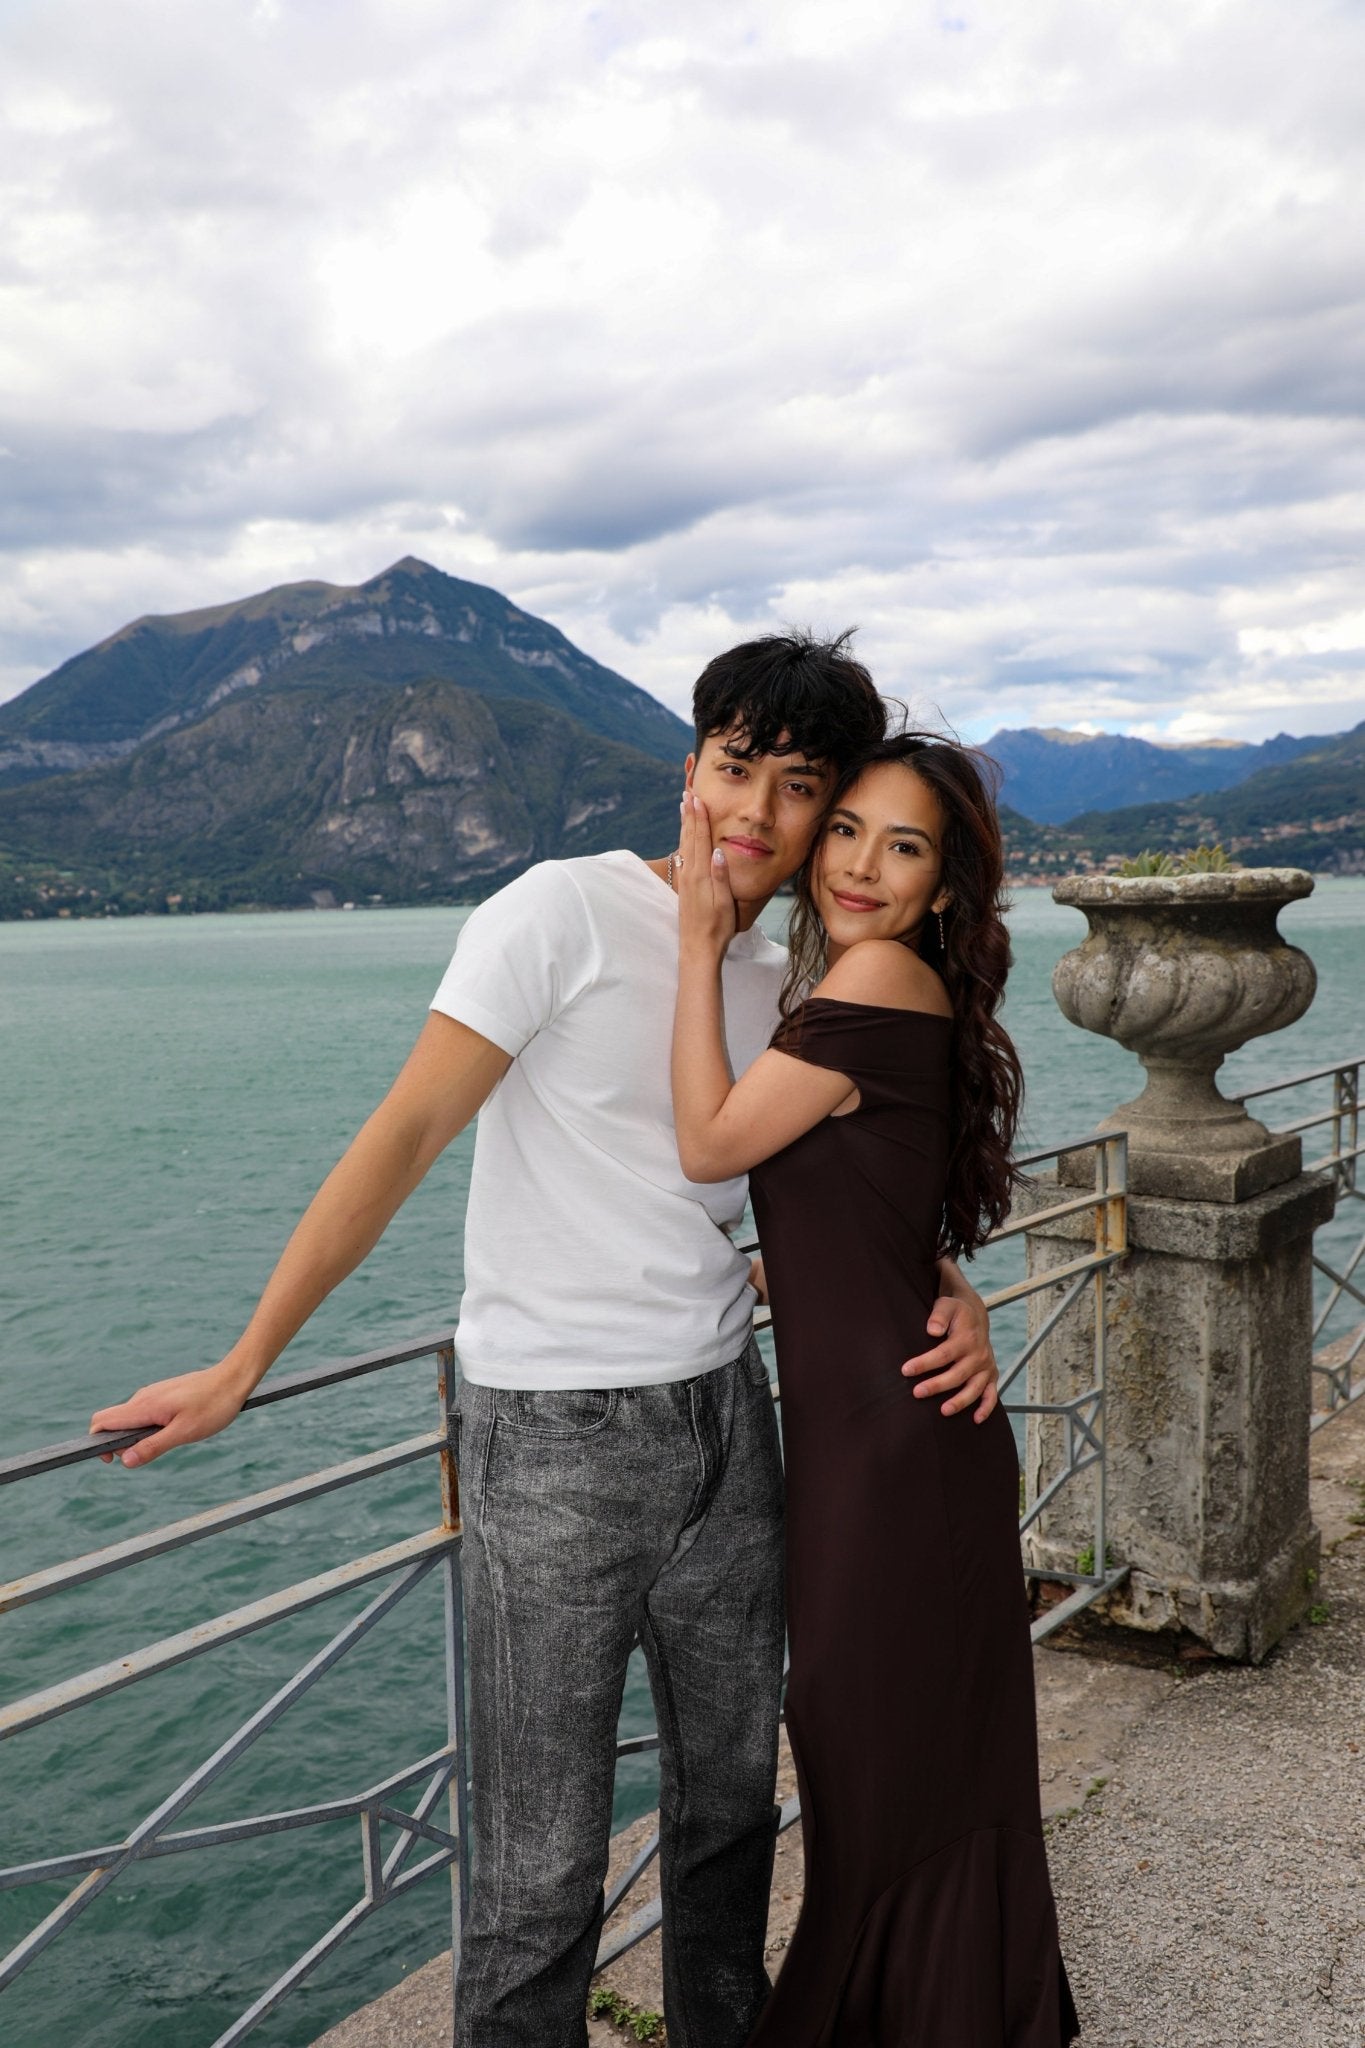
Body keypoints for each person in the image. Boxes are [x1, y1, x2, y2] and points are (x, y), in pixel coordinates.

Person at [89, 636, 1001, 2048]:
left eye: (796, 785)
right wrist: (244, 1362)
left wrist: (945, 1286)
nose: (755, 811)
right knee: (533, 1874)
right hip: (553, 1439)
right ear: (686, 766)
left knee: (724, 1818)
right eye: (732, 768)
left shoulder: (776, 976)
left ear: (828, 814)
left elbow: (836, 1169)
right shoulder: (555, 912)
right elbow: (403, 1134)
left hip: (732, 1419)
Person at [670, 731, 1080, 2045]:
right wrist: (931, 1285)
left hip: (895, 1458)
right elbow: (869, 1206)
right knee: (883, 1763)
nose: (855, 863)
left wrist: (690, 941)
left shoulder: (880, 976)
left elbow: (707, 1143)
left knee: (866, 1761)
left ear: (942, 885)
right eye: (842, 827)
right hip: (892, 1439)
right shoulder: (871, 984)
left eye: (900, 845)